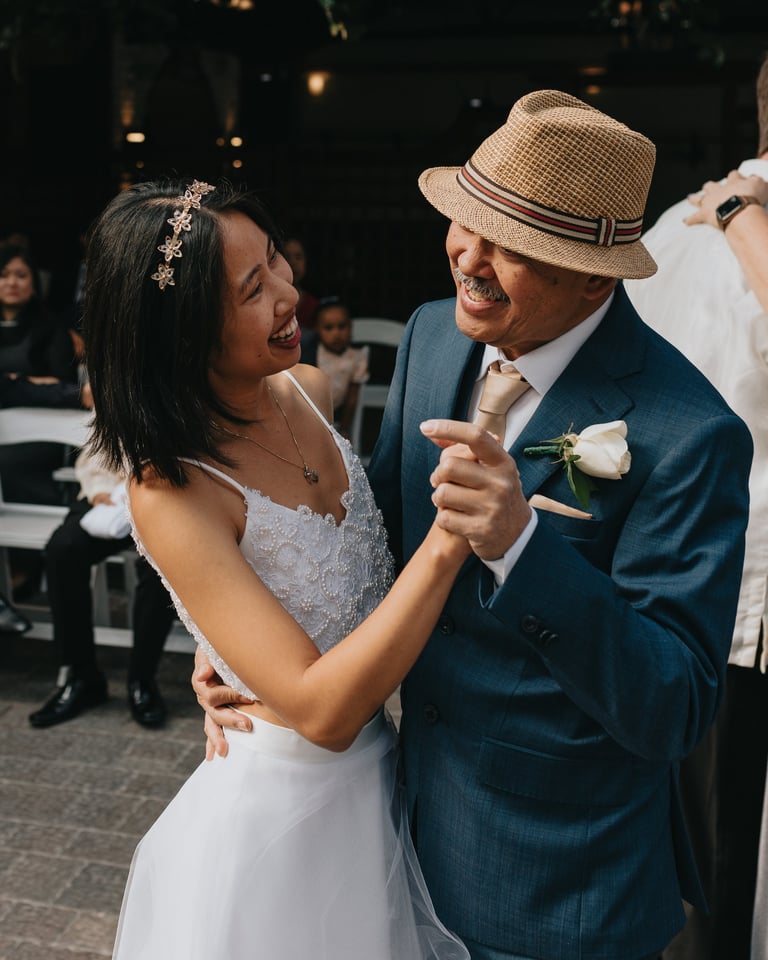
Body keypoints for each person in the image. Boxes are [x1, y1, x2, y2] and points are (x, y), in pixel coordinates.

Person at [194, 90, 753, 960]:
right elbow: (370, 535)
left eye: (510, 244)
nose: (468, 256)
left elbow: (674, 707)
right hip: (395, 834)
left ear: (593, 274)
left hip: (560, 887)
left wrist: (522, 548)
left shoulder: (691, 434)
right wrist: (244, 636)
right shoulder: (433, 336)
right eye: (465, 221)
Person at [82, 177, 471, 959]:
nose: (290, 295)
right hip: (283, 813)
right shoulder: (173, 489)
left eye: (276, 261)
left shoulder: (309, 389)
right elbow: (321, 713)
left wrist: (228, 640)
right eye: (252, 289)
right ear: (184, 333)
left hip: (384, 780)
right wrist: (453, 535)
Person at [623, 54, 768, 960]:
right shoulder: (704, 228)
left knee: (689, 847)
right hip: (748, 603)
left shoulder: (667, 234)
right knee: (724, 860)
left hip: (662, 585)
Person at [28, 445, 175, 729]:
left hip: (169, 496)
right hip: (112, 491)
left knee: (161, 561)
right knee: (63, 549)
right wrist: (99, 489)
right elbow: (98, 446)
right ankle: (82, 676)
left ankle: (142, 679)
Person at [312, 296, 369, 439]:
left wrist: (344, 427)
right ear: (317, 329)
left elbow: (352, 396)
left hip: (338, 412)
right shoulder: (312, 353)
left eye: (342, 326)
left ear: (350, 326)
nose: (336, 334)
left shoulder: (357, 357)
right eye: (328, 328)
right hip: (310, 412)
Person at [283, 234, 320, 329]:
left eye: (298, 257)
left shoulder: (313, 305)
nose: (293, 262)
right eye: (287, 257)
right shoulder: (271, 303)